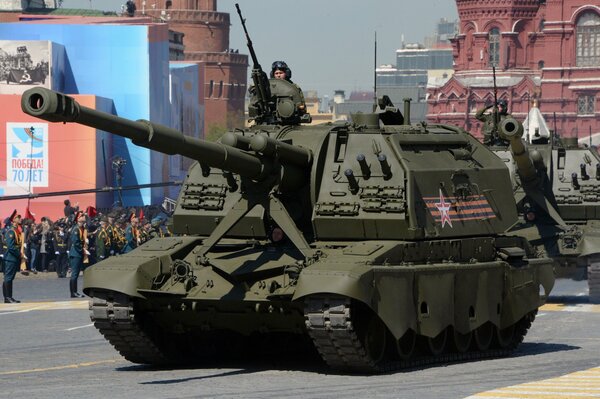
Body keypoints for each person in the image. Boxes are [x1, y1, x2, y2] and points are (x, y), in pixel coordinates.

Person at [3, 210, 24, 303]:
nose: (20, 219)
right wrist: (19, 254)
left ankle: (9, 297)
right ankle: (7, 297)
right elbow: (11, 246)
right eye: (18, 217)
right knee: (8, 277)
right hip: (10, 258)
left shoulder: (16, 230)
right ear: (13, 220)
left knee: (10, 277)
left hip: (13, 258)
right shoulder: (11, 231)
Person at [68, 211, 86, 298]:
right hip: (75, 253)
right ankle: (73, 293)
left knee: (76, 274)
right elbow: (76, 242)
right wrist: (83, 250)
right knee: (74, 274)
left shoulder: (81, 229)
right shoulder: (75, 229)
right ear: (78, 219)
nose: (84, 218)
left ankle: (74, 292)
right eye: (82, 217)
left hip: (78, 253)